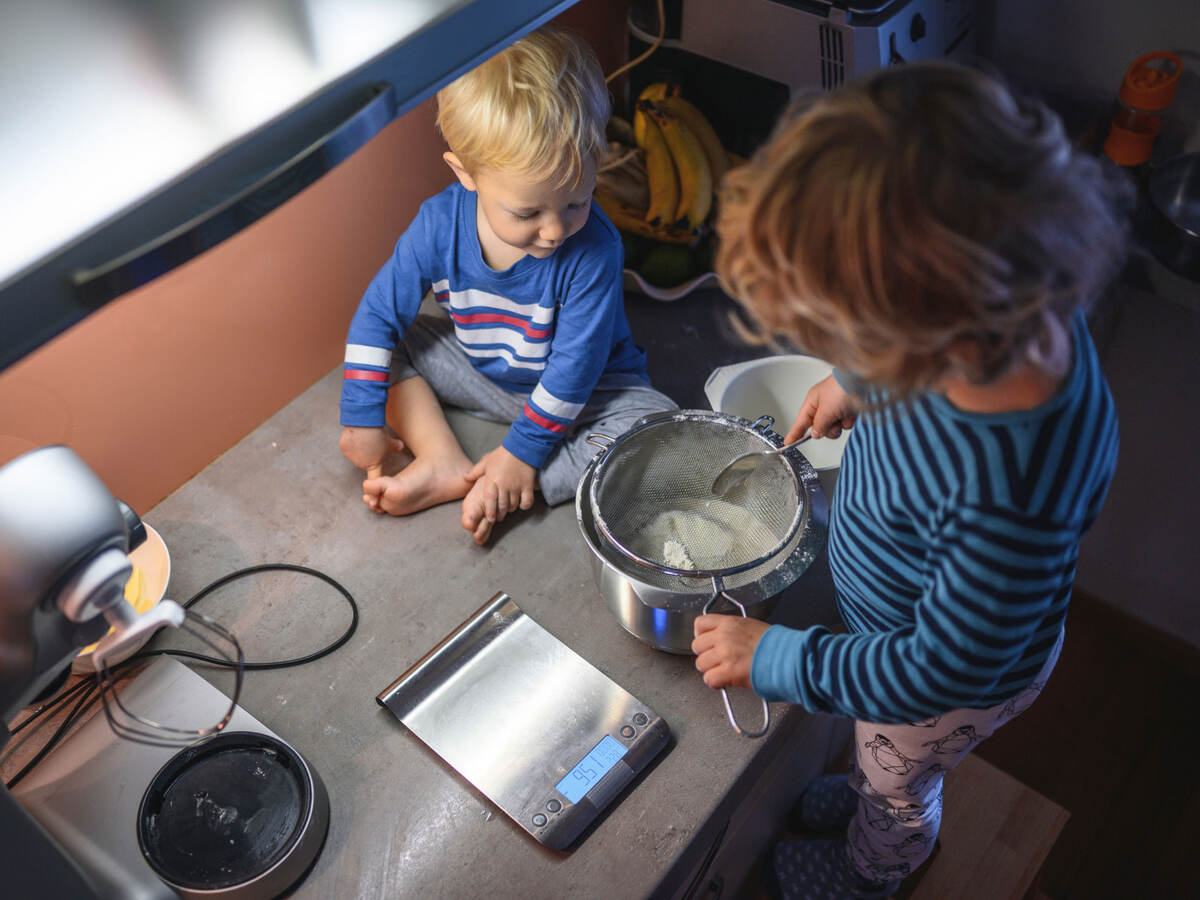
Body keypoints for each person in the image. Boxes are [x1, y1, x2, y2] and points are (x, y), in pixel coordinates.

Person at [692, 62, 1131, 899]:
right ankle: (869, 788)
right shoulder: (1014, 302)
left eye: (858, 339)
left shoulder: (1008, 493)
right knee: (873, 756)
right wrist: (857, 381)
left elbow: (936, 671)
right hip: (896, 635)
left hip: (936, 687)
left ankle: (875, 866)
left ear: (932, 336)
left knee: (899, 783)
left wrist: (780, 656)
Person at [337, 28, 675, 544]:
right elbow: (379, 314)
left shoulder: (597, 249)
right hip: (484, 375)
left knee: (660, 432)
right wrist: (362, 415)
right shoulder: (437, 226)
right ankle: (441, 457)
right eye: (527, 212)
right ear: (465, 173)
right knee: (388, 345)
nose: (557, 229)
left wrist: (522, 455)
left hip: (589, 392)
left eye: (577, 201)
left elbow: (574, 369)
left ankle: (519, 482)